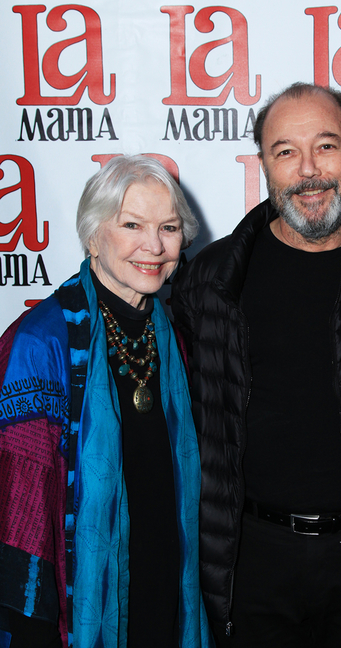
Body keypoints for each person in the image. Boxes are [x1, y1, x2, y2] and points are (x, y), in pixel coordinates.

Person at [171, 82, 341, 647]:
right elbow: (190, 424)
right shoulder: (212, 277)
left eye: (326, 147)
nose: (308, 171)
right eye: (285, 152)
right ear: (263, 165)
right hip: (250, 562)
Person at [0, 155, 213, 648]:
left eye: (170, 227)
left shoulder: (170, 337)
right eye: (132, 225)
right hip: (74, 609)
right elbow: (20, 514)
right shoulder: (43, 342)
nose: (154, 246)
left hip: (162, 589)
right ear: (94, 236)